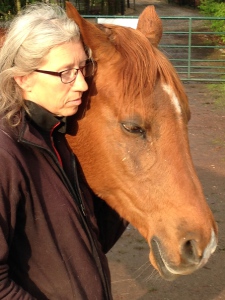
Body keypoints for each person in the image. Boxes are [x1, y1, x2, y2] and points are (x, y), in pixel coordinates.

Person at [0, 4, 127, 299]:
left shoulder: (58, 136)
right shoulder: (7, 155)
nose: (82, 84)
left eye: (82, 68)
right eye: (65, 72)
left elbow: (85, 243)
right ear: (23, 77)